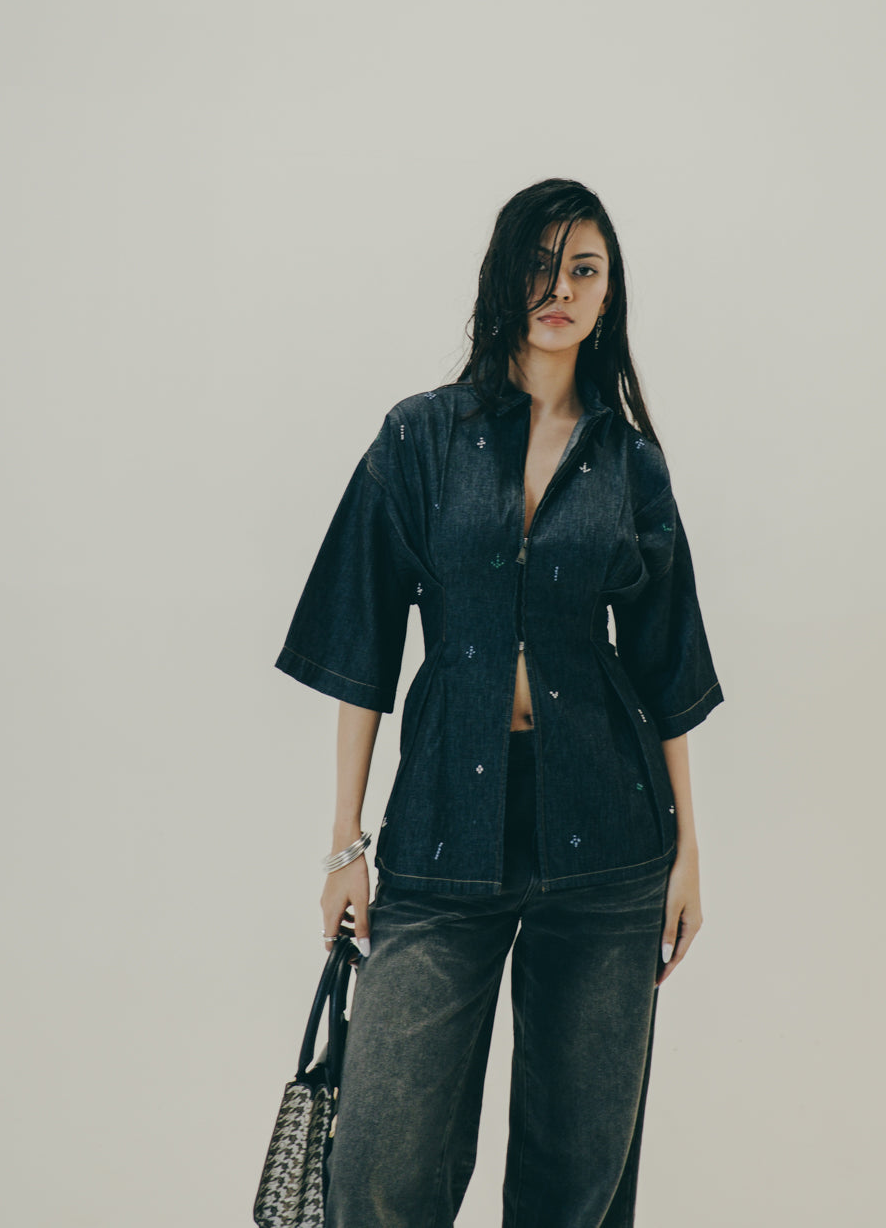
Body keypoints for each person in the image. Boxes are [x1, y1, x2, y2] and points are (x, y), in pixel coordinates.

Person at [273, 177, 724, 1228]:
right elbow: (362, 638)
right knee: (381, 1166)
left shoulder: (629, 461)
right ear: (501, 278)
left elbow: (665, 666)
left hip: (609, 840)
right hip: (443, 830)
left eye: (583, 270)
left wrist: (689, 850)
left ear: (609, 294)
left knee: (578, 1177)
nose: (558, 289)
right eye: (539, 264)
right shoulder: (421, 437)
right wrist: (345, 845)